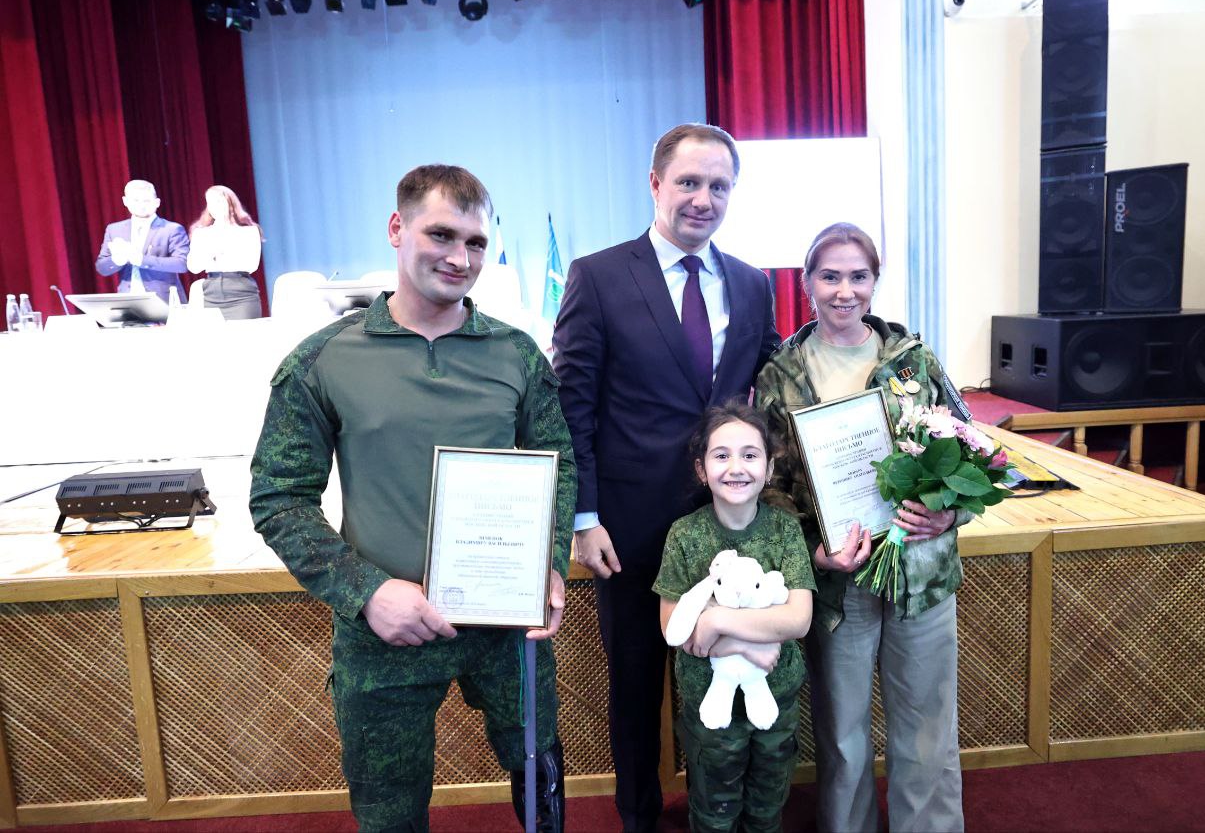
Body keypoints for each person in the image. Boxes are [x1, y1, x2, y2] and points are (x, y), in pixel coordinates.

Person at [249, 164, 575, 833]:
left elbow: (558, 465)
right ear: (397, 228)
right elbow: (279, 497)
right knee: (388, 810)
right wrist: (367, 592)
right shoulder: (323, 359)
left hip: (506, 624)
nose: (461, 259)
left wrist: (549, 562)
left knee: (540, 784)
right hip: (384, 630)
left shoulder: (515, 354)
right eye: (441, 235)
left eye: (476, 243)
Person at [552, 122, 780, 832]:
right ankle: (640, 819)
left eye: (719, 186)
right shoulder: (597, 276)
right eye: (688, 182)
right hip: (630, 526)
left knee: (728, 670)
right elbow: (572, 406)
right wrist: (583, 517)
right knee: (636, 684)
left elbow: (775, 391)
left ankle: (723, 813)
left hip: (730, 521)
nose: (703, 199)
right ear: (655, 184)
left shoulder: (753, 284)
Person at [754, 223, 972, 833]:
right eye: (830, 277)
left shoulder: (914, 359)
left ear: (875, 282)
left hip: (921, 570)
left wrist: (950, 511)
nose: (844, 291)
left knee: (927, 727)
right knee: (843, 733)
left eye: (858, 276)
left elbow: (975, 452)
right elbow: (769, 487)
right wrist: (812, 553)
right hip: (838, 581)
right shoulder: (781, 374)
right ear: (807, 283)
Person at [653, 402, 815, 833]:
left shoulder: (784, 530)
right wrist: (749, 646)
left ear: (769, 466)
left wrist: (716, 622)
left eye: (750, 454)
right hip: (709, 711)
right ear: (701, 469)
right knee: (714, 812)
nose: (736, 467)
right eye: (721, 455)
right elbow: (673, 628)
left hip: (776, 701)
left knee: (767, 809)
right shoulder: (684, 535)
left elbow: (798, 619)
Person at [95, 179, 190, 300]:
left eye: (146, 201)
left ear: (157, 202)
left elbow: (182, 264)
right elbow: (102, 268)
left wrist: (141, 260)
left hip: (163, 301)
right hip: (128, 301)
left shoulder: (171, 229)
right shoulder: (114, 229)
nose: (141, 205)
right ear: (125, 201)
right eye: (135, 200)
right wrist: (117, 260)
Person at [187, 185, 264, 319]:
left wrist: (218, 254)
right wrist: (213, 254)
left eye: (218, 201)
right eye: (210, 202)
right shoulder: (201, 233)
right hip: (212, 292)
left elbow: (251, 265)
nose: (214, 206)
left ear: (230, 203)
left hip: (241, 292)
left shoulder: (249, 231)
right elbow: (194, 267)